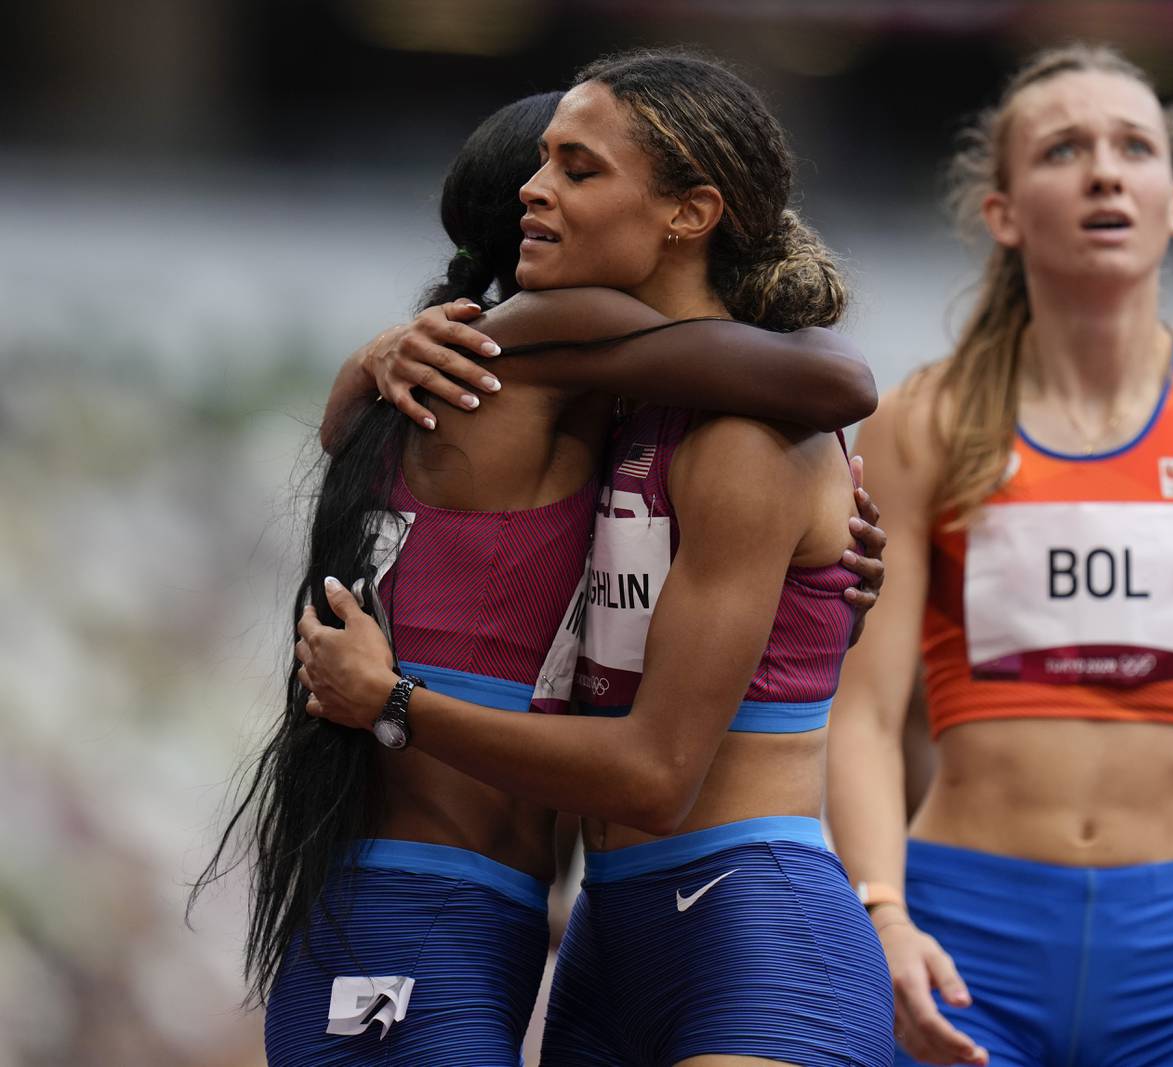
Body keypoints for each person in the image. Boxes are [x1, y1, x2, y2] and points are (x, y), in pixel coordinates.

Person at [193, 89, 885, 1067]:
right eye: (546, 167)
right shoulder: (529, 355)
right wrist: (393, 698)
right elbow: (833, 380)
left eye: (580, 168)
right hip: (428, 915)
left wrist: (817, 589)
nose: (544, 189)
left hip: (500, 918)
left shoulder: (576, 406)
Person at [826, 44, 1173, 1067]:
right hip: (963, 934)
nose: (1104, 170)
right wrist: (877, 911)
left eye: (1132, 148)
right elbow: (865, 711)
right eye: (1064, 149)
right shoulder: (920, 422)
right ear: (1004, 212)